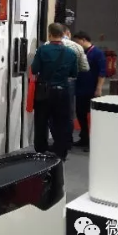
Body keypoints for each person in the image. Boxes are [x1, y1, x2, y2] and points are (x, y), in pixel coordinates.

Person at [31, 23, 78, 161]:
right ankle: (61, 152)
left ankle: (41, 149)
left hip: (44, 91)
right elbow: (73, 73)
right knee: (62, 122)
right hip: (63, 91)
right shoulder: (71, 52)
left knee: (41, 121)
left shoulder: (42, 50)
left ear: (49, 34)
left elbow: (34, 69)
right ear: (63, 35)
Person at [48, 25, 89, 148]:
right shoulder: (76, 46)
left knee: (53, 113)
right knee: (68, 112)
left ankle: (57, 141)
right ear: (67, 33)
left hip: (52, 82)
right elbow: (85, 67)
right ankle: (67, 141)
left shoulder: (46, 45)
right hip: (69, 82)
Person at [72, 31, 107, 151]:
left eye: (77, 42)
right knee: (80, 114)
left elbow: (102, 72)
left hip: (92, 89)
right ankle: (84, 138)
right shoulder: (80, 53)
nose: (76, 44)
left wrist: (99, 88)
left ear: (83, 40)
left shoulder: (97, 53)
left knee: (91, 117)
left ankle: (93, 142)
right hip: (80, 89)